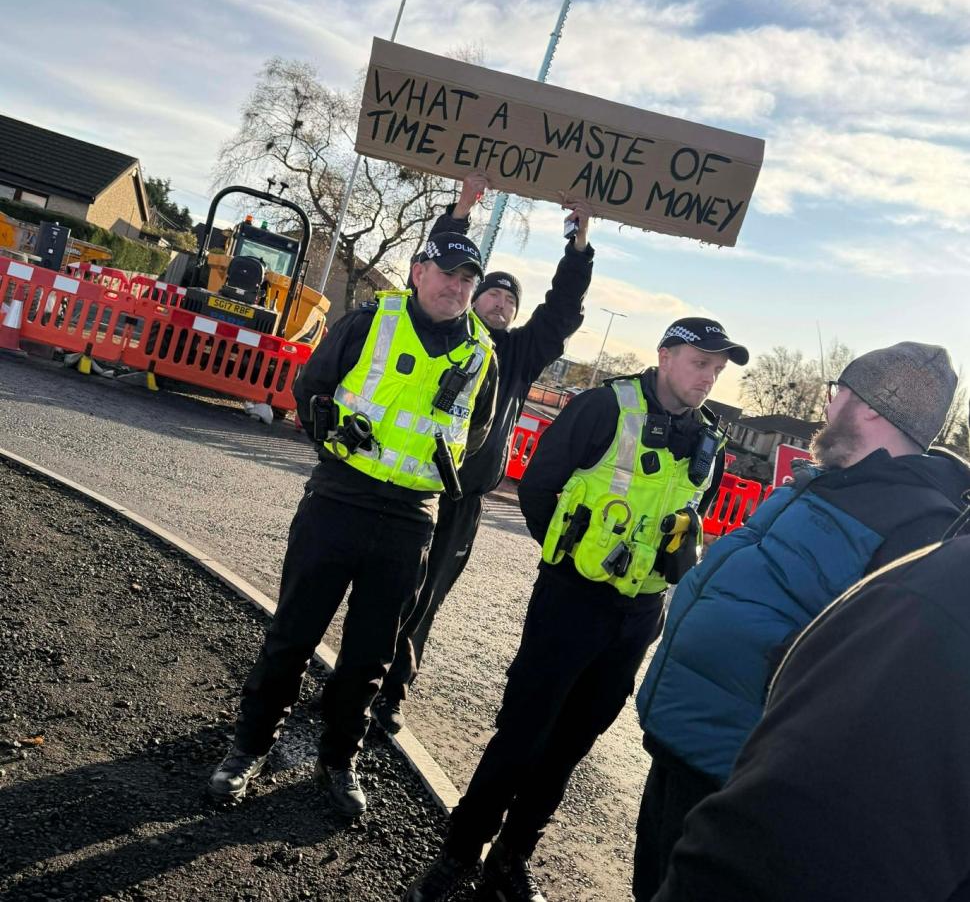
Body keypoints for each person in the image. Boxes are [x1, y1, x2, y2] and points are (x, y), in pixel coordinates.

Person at [404, 318, 749, 902]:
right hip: (572, 601)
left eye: (717, 369)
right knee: (522, 734)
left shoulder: (710, 438)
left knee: (571, 746)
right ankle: (459, 854)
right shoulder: (603, 407)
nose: (709, 378)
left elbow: (689, 518)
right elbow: (540, 489)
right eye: (700, 362)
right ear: (665, 356)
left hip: (638, 615)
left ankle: (510, 860)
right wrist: (568, 561)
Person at [632, 341, 970, 901]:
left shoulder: (917, 525)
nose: (828, 406)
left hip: (732, 769)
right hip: (682, 737)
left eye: (838, 392)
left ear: (868, 406)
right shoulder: (829, 479)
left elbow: (867, 674)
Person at [207, 227, 497, 816]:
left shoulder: (482, 355)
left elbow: (477, 436)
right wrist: (335, 436)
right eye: (447, 273)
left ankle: (339, 759)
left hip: (411, 520)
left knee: (370, 658)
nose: (457, 286)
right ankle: (248, 748)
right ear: (419, 272)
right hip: (339, 501)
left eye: (468, 279)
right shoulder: (370, 322)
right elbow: (310, 390)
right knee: (292, 635)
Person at [375, 173, 595, 735]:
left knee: (427, 597)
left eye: (509, 298)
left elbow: (562, 311)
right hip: (412, 485)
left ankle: (391, 692)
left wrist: (579, 244)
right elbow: (426, 271)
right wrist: (462, 209)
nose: (500, 302)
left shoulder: (521, 353)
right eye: (491, 292)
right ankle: (356, 677)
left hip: (465, 499)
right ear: (473, 296)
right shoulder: (446, 330)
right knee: (385, 584)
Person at [652, 527, 970, 902]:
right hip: (689, 730)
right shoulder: (824, 489)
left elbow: (785, 853)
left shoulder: (941, 584)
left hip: (723, 756)